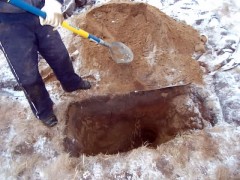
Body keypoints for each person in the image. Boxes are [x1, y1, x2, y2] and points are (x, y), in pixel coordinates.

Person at [0, 0, 91, 127]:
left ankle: (71, 83)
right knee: (27, 74)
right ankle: (43, 110)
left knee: (59, 54)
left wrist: (54, 2)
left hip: (41, 10)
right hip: (7, 21)